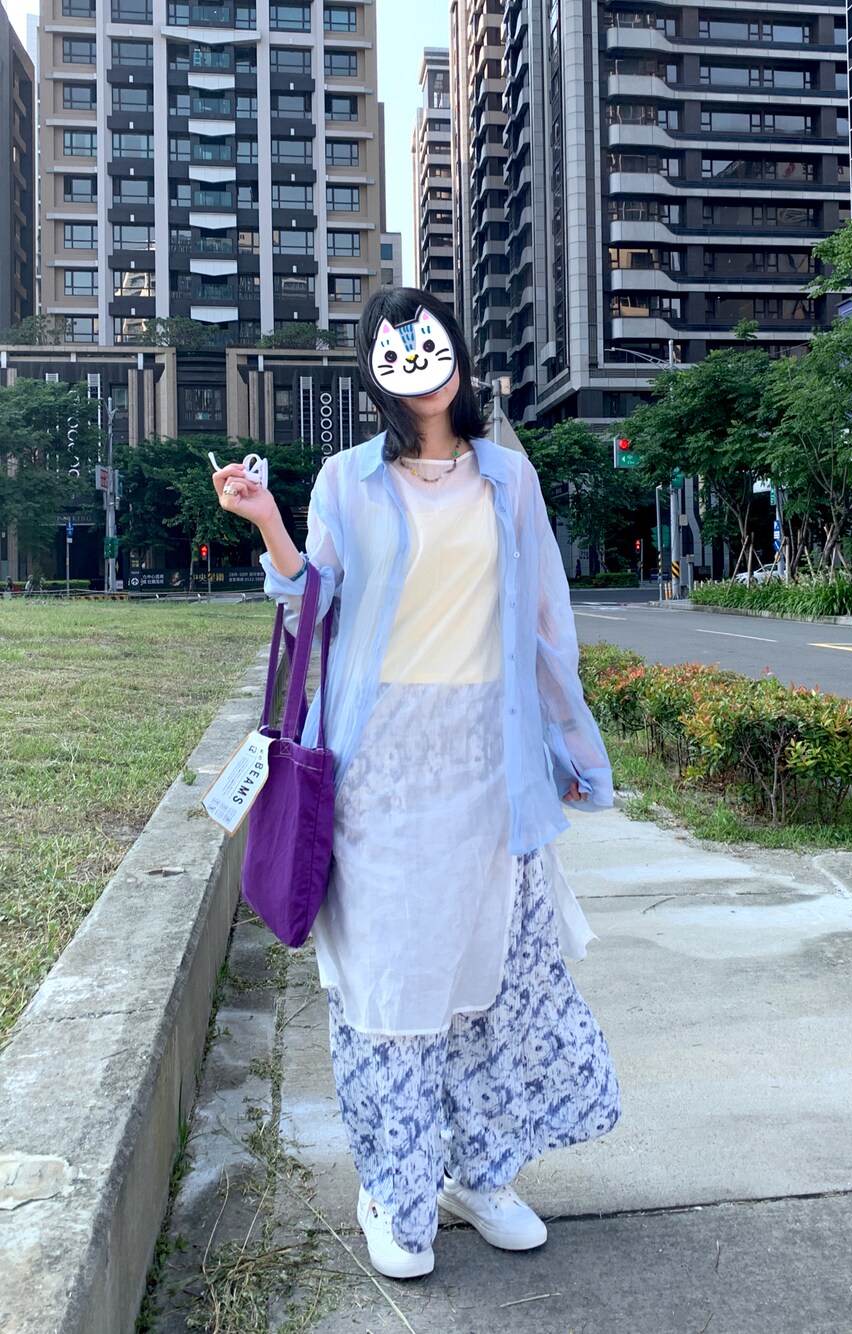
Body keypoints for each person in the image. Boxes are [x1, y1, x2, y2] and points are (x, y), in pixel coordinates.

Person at [212, 288, 620, 1280]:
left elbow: (544, 623)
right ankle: (395, 1191)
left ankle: (479, 1175)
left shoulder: (509, 477)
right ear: (374, 374)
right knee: (393, 986)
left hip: (486, 766)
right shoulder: (348, 480)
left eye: (428, 344)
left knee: (489, 984)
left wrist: (572, 749)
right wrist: (267, 521)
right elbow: (312, 601)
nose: (418, 365)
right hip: (379, 771)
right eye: (393, 352)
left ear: (457, 356)